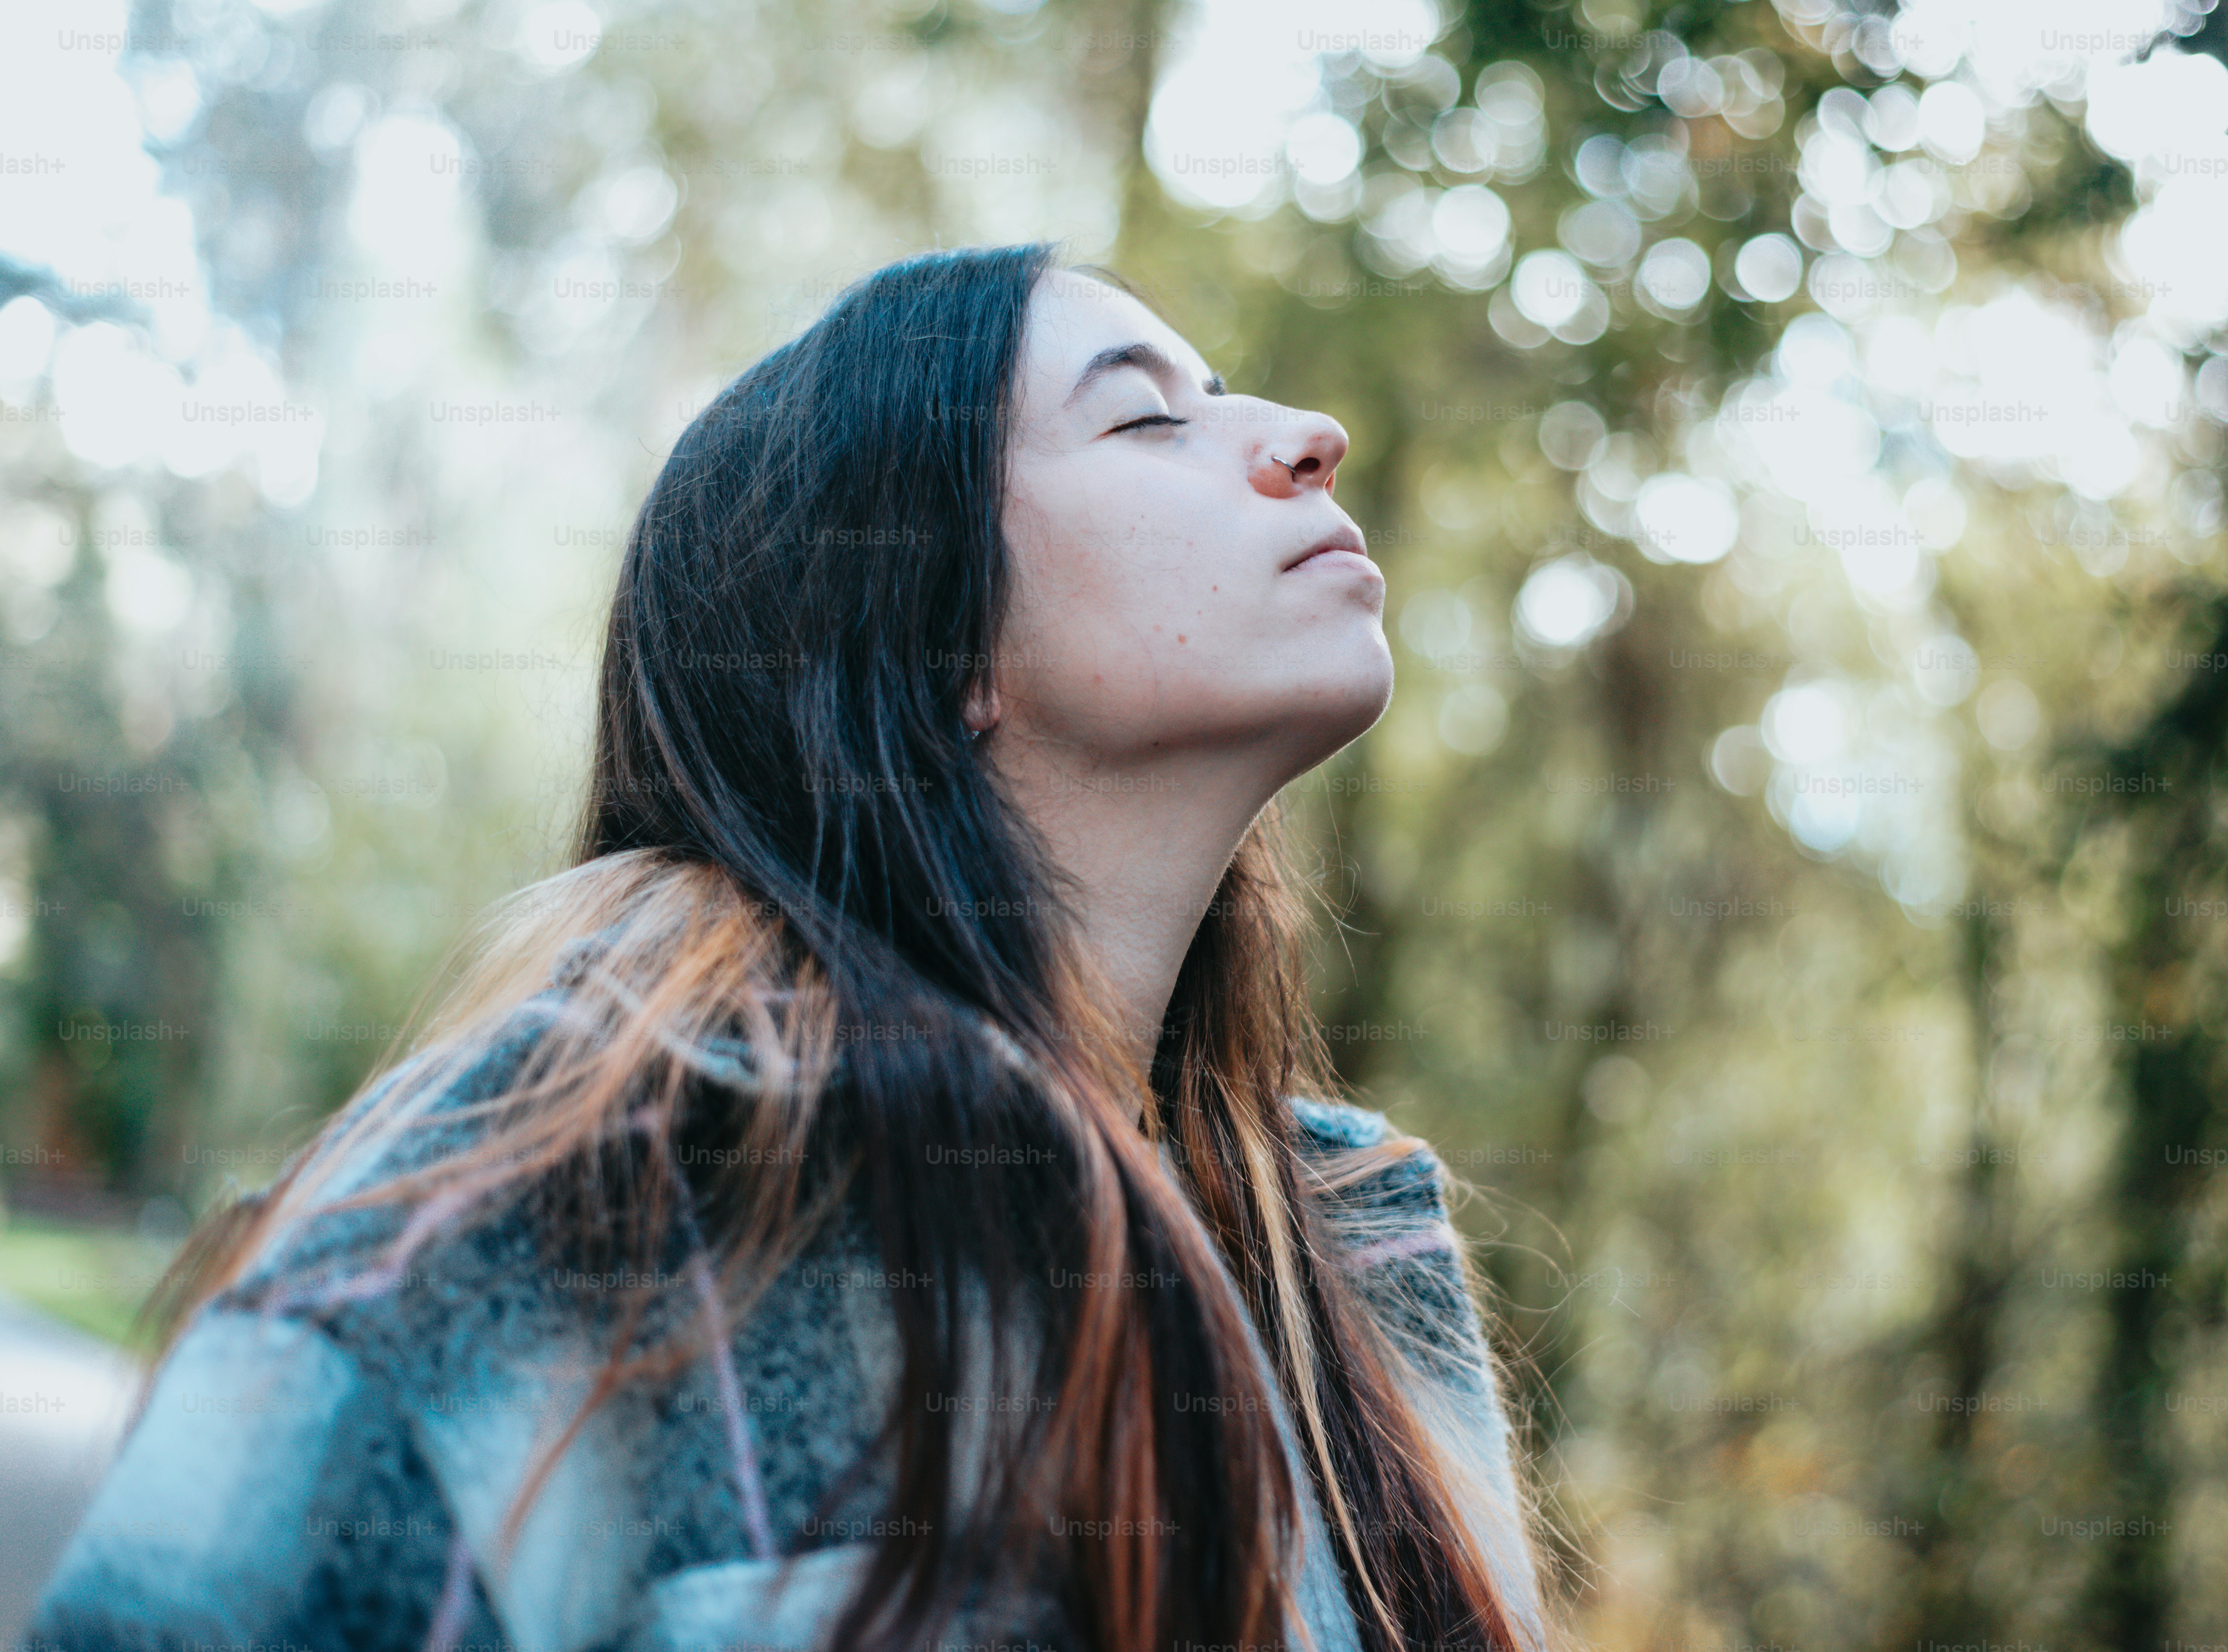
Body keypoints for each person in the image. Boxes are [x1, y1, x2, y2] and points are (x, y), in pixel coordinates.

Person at [26, 243, 1551, 1652]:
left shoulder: (1357, 1242)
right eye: (1144, 421)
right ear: (931, 637)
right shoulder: (583, 1217)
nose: (1310, 433)